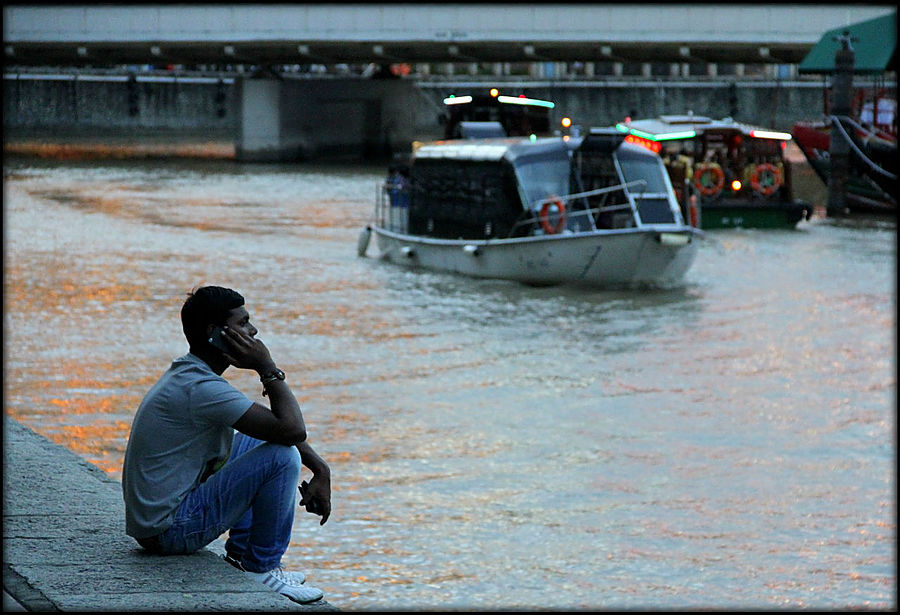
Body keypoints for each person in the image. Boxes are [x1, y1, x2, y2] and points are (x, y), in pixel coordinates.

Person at [122, 285, 331, 604]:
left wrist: (320, 468)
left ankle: (243, 556)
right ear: (215, 333)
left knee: (260, 439)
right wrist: (267, 368)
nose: (253, 331)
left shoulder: (193, 376)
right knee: (282, 457)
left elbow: (272, 428)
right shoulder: (202, 389)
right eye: (243, 323)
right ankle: (261, 567)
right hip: (167, 531)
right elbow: (292, 430)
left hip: (161, 521)